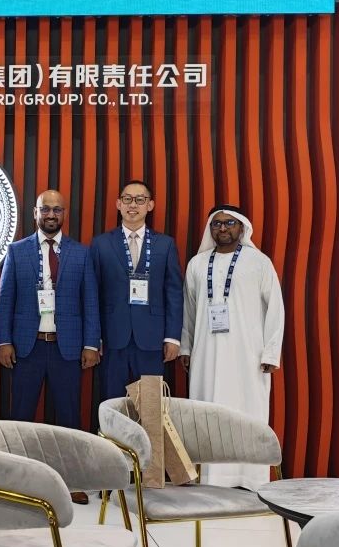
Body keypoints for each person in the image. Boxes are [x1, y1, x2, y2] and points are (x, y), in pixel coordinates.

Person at [0, 188, 100, 504]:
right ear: (35, 213)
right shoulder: (17, 251)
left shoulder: (81, 253)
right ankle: (16, 483)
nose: (51, 215)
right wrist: (4, 341)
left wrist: (91, 344)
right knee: (20, 418)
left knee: (69, 419)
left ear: (64, 213)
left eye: (57, 209)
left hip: (66, 349)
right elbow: (5, 300)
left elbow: (90, 302)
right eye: (45, 209)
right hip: (26, 349)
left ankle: (72, 482)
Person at [181, 204, 285, 488]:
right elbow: (189, 310)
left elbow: (276, 309)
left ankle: (249, 478)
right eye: (217, 224)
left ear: (242, 228)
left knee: (247, 412)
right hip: (206, 355)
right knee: (207, 413)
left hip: (248, 356)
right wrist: (186, 348)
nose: (223, 228)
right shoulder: (197, 264)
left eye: (229, 223)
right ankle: (211, 478)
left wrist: (271, 352)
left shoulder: (259, 262)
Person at [89, 178, 184, 402]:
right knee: (113, 403)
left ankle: (149, 429)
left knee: (150, 404)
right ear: (118, 204)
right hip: (112, 338)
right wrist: (93, 338)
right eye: (127, 199)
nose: (133, 205)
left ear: (150, 205)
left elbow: (173, 292)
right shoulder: (101, 244)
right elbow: (93, 294)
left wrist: (173, 337)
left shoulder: (165, 244)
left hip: (152, 338)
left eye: (140, 200)